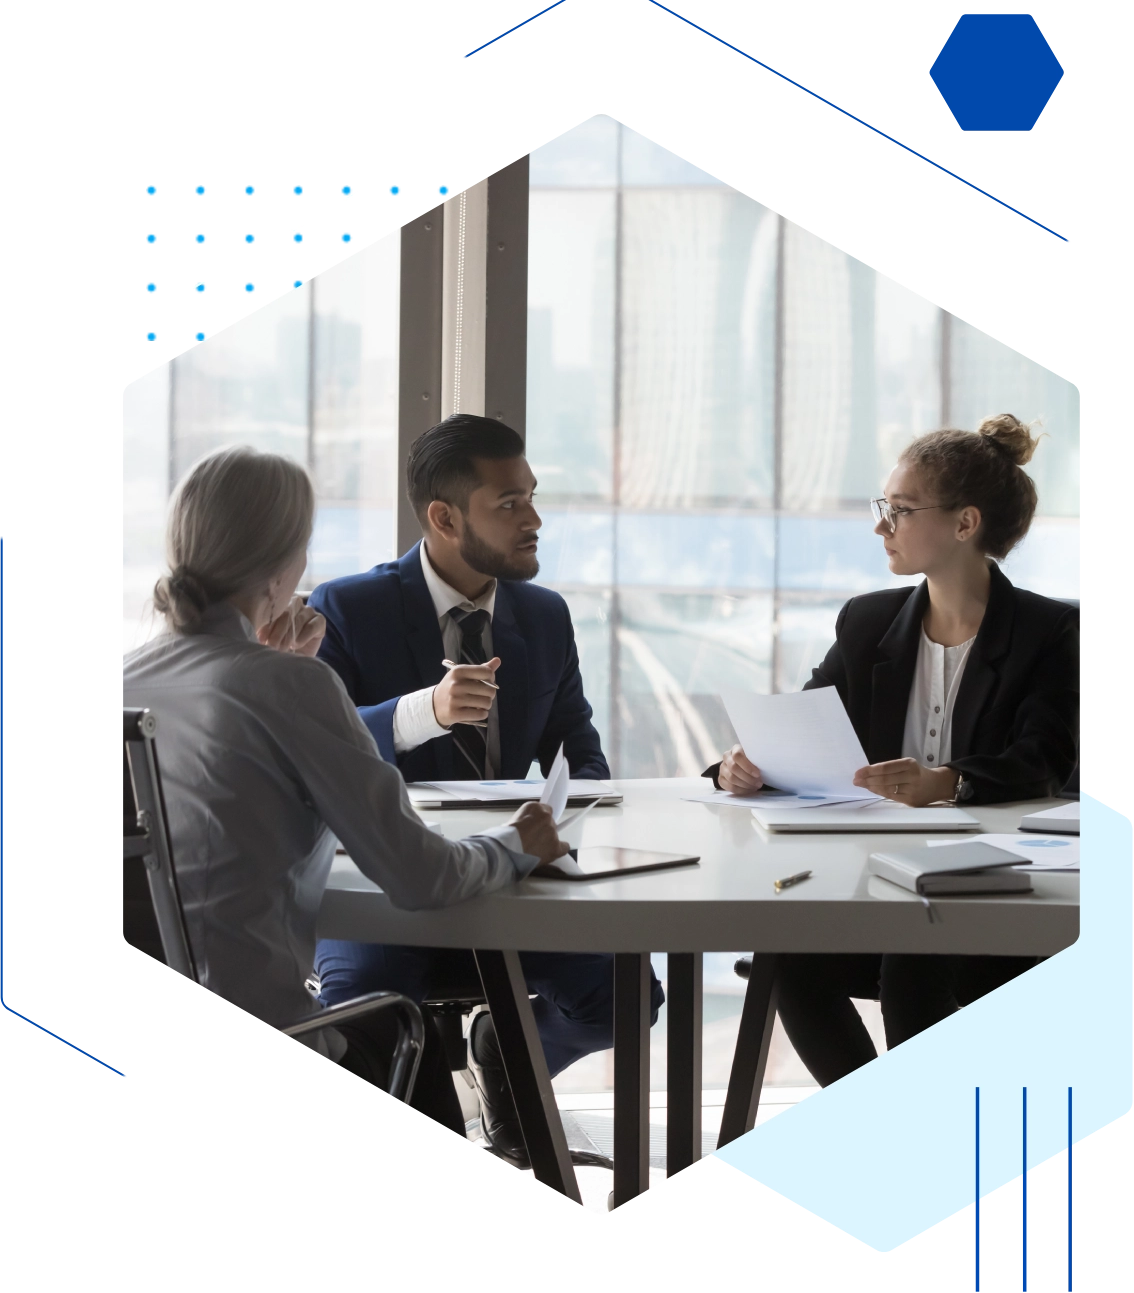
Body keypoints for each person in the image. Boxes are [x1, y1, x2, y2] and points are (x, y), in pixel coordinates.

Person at [120, 446, 570, 1135]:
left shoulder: (125, 682)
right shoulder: (285, 685)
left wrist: (283, 672)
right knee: (403, 1035)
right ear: (286, 562)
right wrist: (515, 844)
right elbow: (421, 878)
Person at [307, 414, 664, 1167]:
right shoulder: (346, 609)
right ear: (443, 517)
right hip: (389, 884)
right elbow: (317, 750)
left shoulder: (543, 614)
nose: (534, 519)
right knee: (365, 1017)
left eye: (532, 497)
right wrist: (421, 713)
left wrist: (577, 812)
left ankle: (508, 1047)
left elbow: (579, 748)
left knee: (632, 999)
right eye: (510, 503)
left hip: (514, 875)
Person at [706, 415, 1079, 1085]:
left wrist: (945, 781)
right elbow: (804, 729)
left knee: (915, 960)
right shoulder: (869, 622)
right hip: (877, 882)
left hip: (1004, 894)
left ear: (965, 524)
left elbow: (1046, 758)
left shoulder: (1053, 632)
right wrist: (746, 766)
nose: (882, 526)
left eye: (900, 511)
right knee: (787, 953)